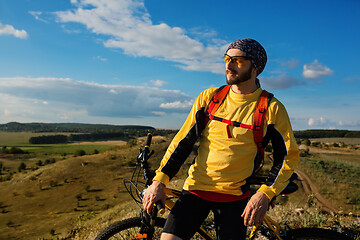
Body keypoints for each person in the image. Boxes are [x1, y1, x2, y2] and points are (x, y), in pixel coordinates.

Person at [143, 38, 299, 240]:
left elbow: (287, 157)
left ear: (255, 67)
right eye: (227, 58)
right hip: (196, 189)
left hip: (235, 197)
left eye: (238, 60)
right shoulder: (210, 98)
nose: (229, 64)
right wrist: (159, 180)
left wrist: (265, 194)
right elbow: (183, 142)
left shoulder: (271, 108)